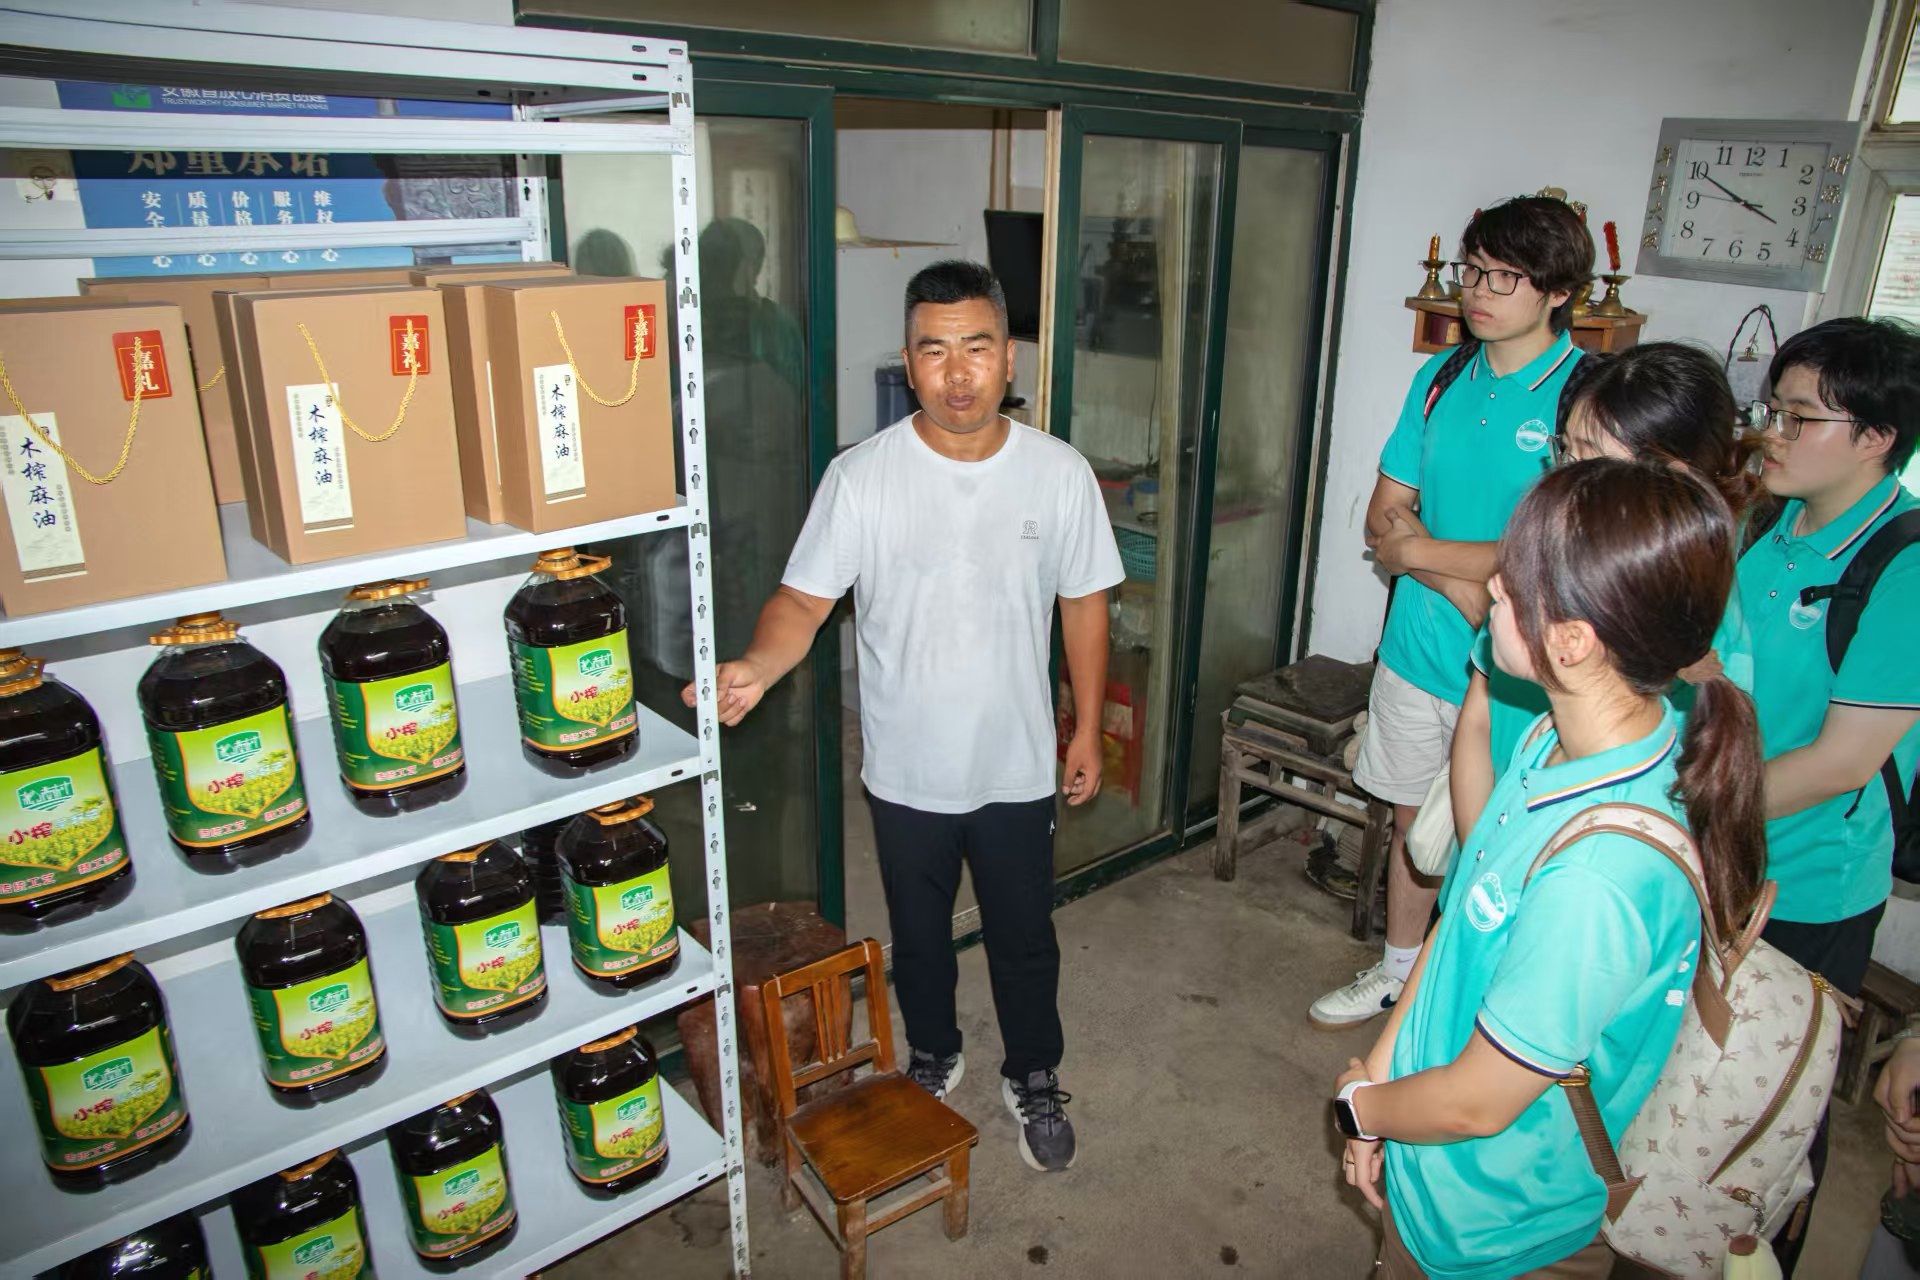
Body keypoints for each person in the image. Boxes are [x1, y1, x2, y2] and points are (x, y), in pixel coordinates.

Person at [682, 259, 1122, 1173]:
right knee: (918, 939)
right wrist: (757, 665)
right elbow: (802, 600)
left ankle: (1034, 1071)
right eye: (934, 350)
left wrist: (1083, 727)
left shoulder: (1058, 474)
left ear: (1010, 358)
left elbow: (1084, 603)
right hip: (906, 770)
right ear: (908, 360)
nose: (957, 373)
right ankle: (934, 1052)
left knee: (1024, 937)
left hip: (1013, 764)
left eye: (977, 348)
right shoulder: (863, 477)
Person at [1333, 459, 1766, 1278]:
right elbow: (1460, 923)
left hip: (1492, 1231)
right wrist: (1383, 1075)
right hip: (1432, 1171)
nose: (1494, 586)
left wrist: (1364, 1108)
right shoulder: (1551, 742)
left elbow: (1476, 1101)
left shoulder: (1598, 879)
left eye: (1512, 583)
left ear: (1570, 642)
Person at [1311, 196, 1592, 1027]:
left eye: (1505, 277)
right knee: (1415, 827)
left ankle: (1478, 1003)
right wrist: (1460, 584)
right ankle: (1399, 973)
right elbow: (1382, 515)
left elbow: (1556, 553)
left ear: (1558, 291)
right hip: (1417, 650)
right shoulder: (1440, 378)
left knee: (1498, 841)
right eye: (1474, 270)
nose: (1478, 290)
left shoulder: (1584, 398)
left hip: (1517, 676)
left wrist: (1421, 556)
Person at [1737, 316, 1920, 1273]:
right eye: (1771, 410)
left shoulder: (1905, 567)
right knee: (1693, 1091)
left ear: (1876, 436)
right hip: (1722, 855)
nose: (1772, 433)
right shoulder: (1776, 524)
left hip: (1806, 887)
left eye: (1799, 417)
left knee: (1773, 1118)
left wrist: (1686, 811)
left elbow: (1844, 760)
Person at [1449, 342, 1760, 837]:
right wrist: (1480, 854)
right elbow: (1479, 715)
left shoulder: (1692, 617)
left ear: (1667, 479)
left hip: (1571, 846)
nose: (1562, 475)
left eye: (1589, 459)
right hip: (1499, 833)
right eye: (1566, 451)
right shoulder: (1548, 558)